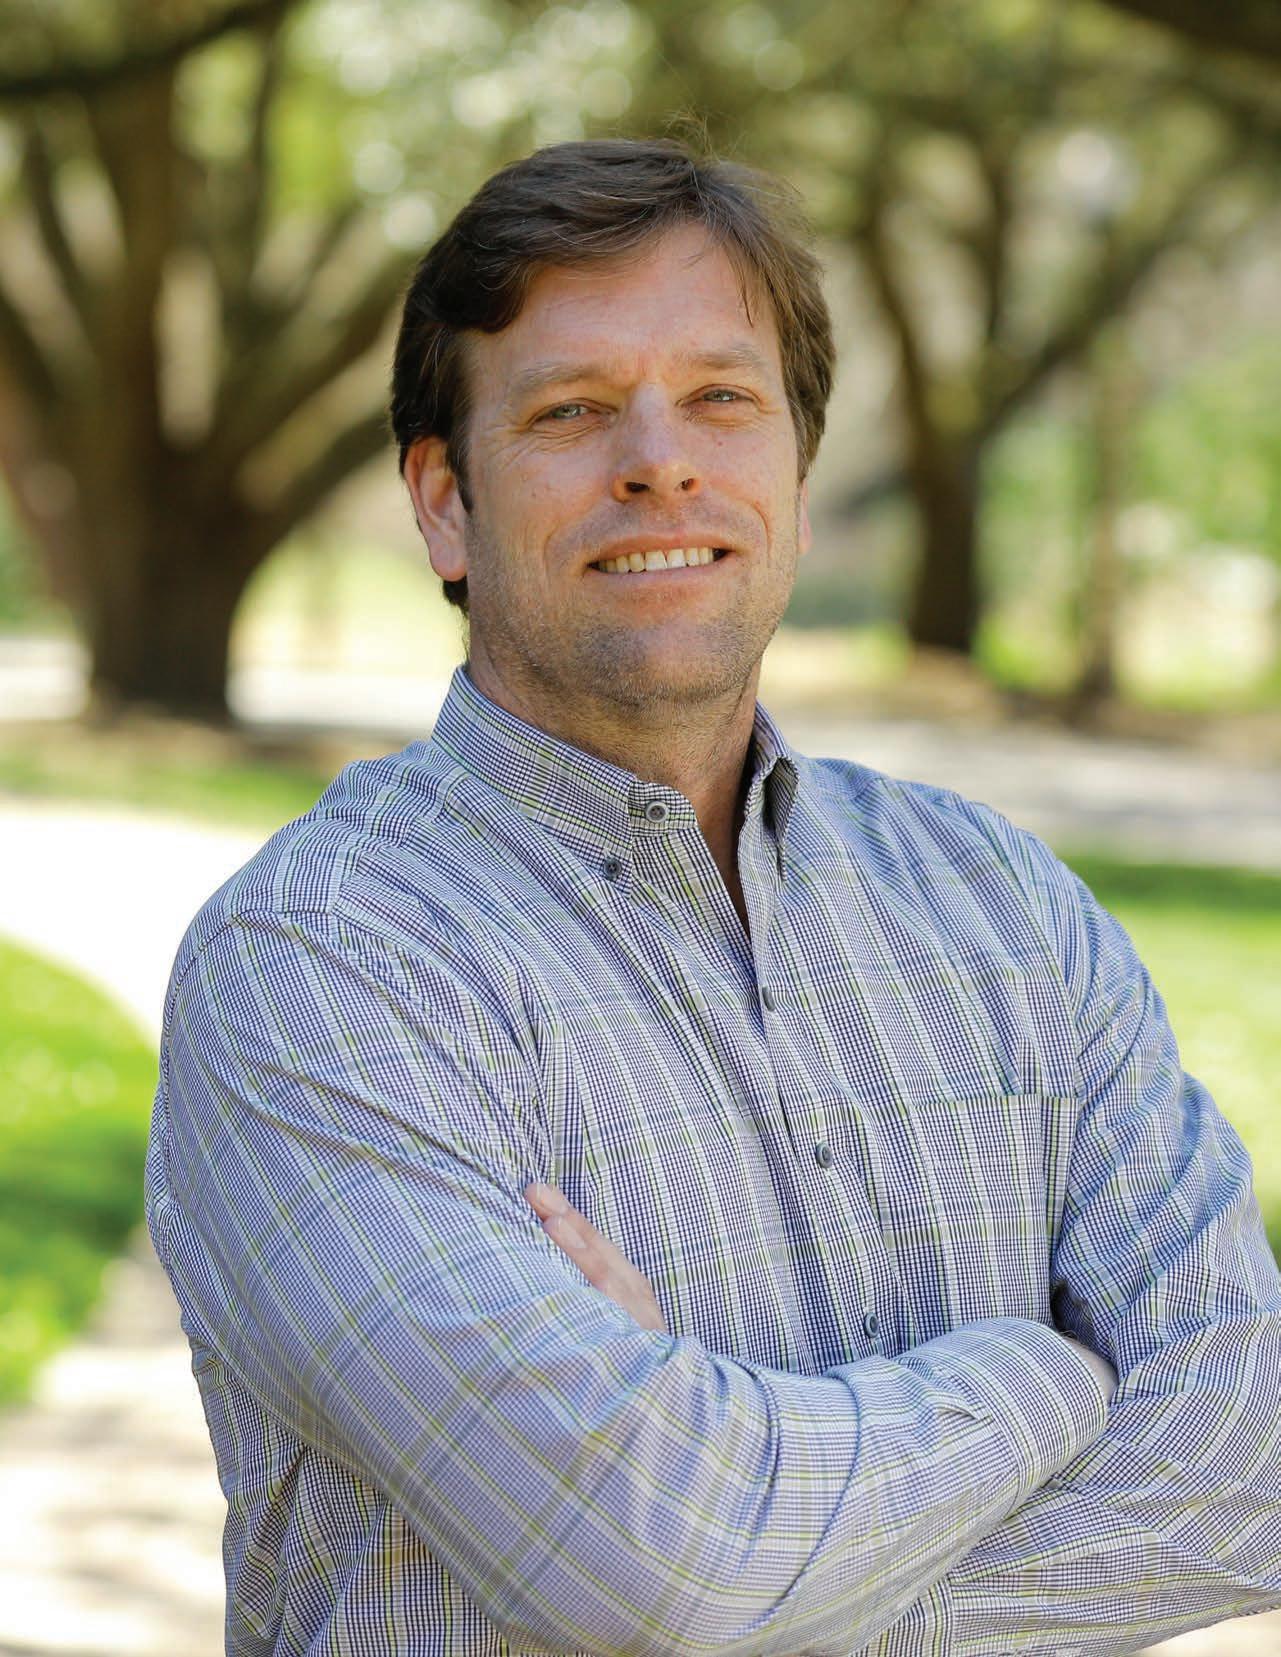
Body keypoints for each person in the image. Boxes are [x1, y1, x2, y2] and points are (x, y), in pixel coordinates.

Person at [146, 138, 1281, 1656]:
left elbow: (1249, 1451)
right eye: (570, 410)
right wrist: (1048, 1376)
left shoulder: (1006, 910)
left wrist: (742, 1523)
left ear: (796, 484)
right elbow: (648, 1566)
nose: (659, 463)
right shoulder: (319, 968)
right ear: (443, 502)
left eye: (722, 400)